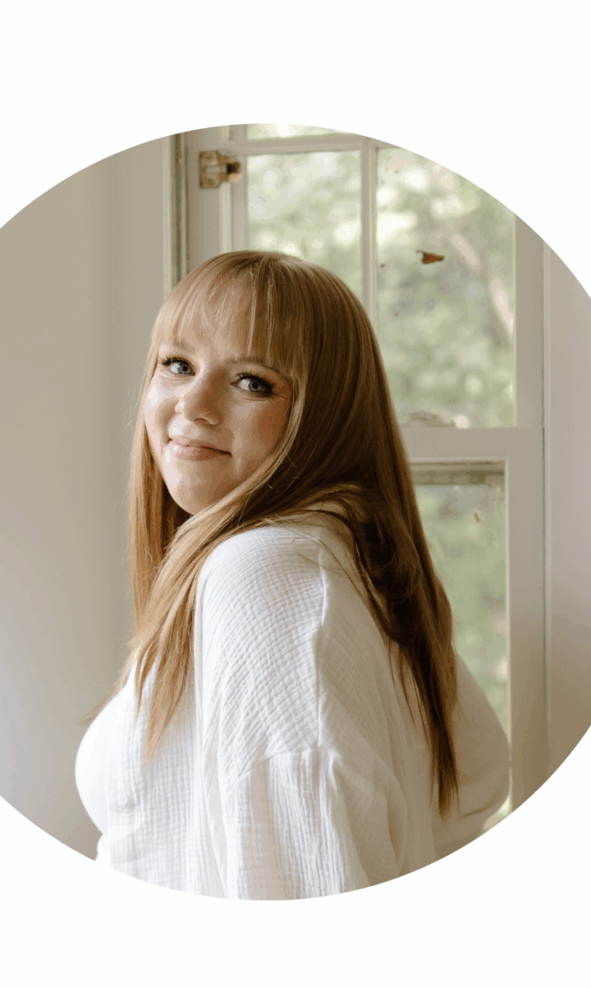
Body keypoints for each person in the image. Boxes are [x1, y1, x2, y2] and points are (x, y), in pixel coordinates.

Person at [75, 251, 509, 899]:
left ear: (324, 417)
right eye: (177, 364)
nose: (193, 403)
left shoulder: (268, 577)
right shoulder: (344, 565)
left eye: (252, 382)